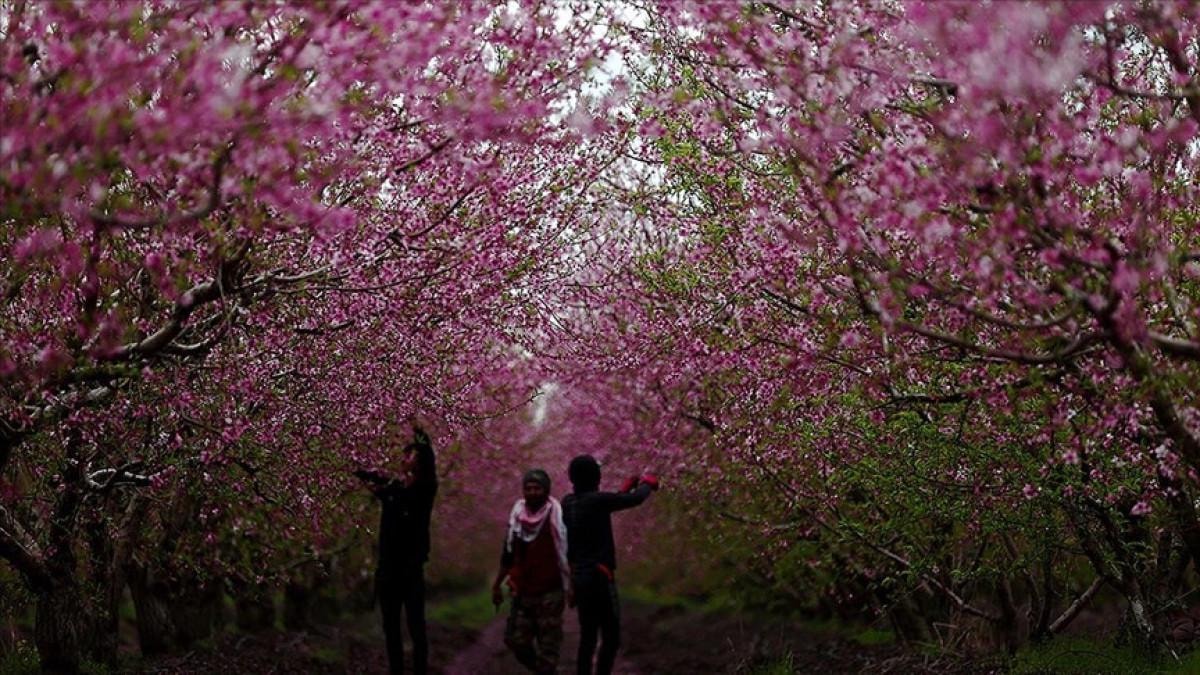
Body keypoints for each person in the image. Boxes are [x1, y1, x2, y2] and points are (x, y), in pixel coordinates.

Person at [562, 455, 658, 675]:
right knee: (611, 636)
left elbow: (601, 505)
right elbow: (635, 499)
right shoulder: (597, 501)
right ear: (595, 476)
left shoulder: (568, 503)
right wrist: (647, 484)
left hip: (580, 577)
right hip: (600, 576)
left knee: (587, 636)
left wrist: (622, 491)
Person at [354, 426, 438, 675]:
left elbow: (428, 453)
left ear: (421, 460)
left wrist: (415, 425)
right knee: (390, 628)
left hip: (411, 570)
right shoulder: (394, 488)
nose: (405, 459)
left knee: (416, 627)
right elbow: (372, 477)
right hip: (388, 569)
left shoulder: (425, 489)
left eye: (411, 455)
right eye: (405, 454)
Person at [492, 469, 573, 674]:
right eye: (528, 488)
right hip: (523, 591)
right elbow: (508, 554)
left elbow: (568, 553)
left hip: (551, 591)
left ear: (546, 490)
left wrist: (572, 585)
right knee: (515, 640)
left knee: (548, 645)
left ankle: (546, 669)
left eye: (537, 488)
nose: (532, 492)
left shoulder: (558, 517)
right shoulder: (517, 519)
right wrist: (497, 584)